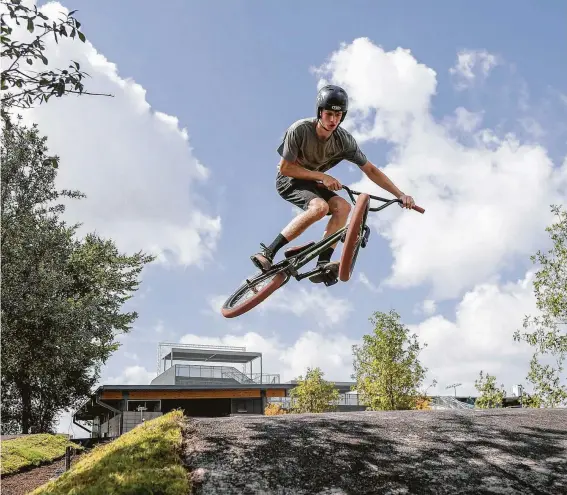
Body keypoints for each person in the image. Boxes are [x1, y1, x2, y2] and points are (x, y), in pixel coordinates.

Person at [251, 84, 416, 284]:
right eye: (328, 114)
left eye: (338, 116)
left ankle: (322, 262)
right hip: (289, 180)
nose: (332, 120)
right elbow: (285, 168)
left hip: (314, 183)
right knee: (320, 207)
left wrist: (400, 194)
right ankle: (268, 252)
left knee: (344, 207)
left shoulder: (344, 141)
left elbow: (370, 170)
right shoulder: (300, 130)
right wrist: (321, 176)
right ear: (320, 113)